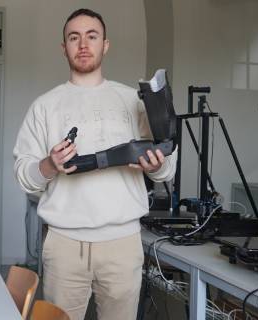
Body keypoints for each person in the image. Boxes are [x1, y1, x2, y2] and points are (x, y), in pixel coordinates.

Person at [13, 8, 177, 320]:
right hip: (63, 246)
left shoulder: (134, 101)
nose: (83, 44)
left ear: (105, 45)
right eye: (74, 38)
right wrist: (48, 164)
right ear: (64, 48)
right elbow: (24, 176)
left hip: (123, 245)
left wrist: (156, 166)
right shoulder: (44, 106)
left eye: (92, 36)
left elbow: (167, 167)